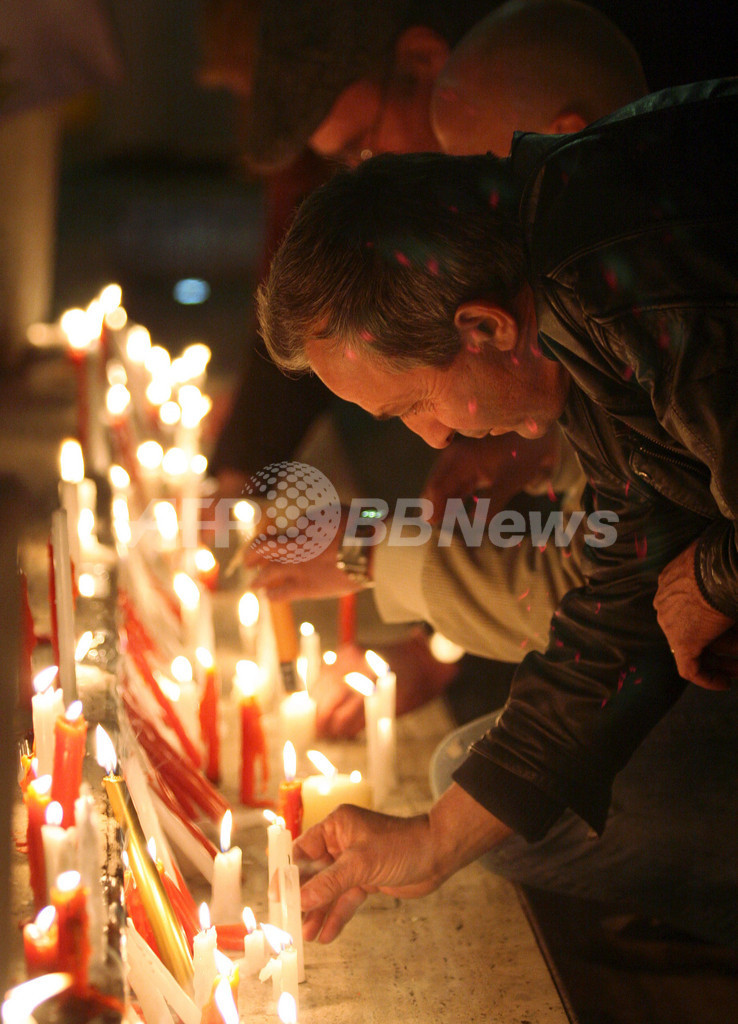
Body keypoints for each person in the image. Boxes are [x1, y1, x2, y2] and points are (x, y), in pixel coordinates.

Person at [256, 79, 738, 945]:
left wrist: (716, 572)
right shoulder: (569, 302)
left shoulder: (634, 283)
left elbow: (654, 577)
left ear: (483, 329)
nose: (435, 437)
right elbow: (623, 596)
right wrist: (435, 839)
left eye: (415, 404)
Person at [248, 0, 648, 733]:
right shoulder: (580, 289)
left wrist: (372, 548)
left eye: (487, 174)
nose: (471, 205)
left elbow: (608, 601)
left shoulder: (645, 312)